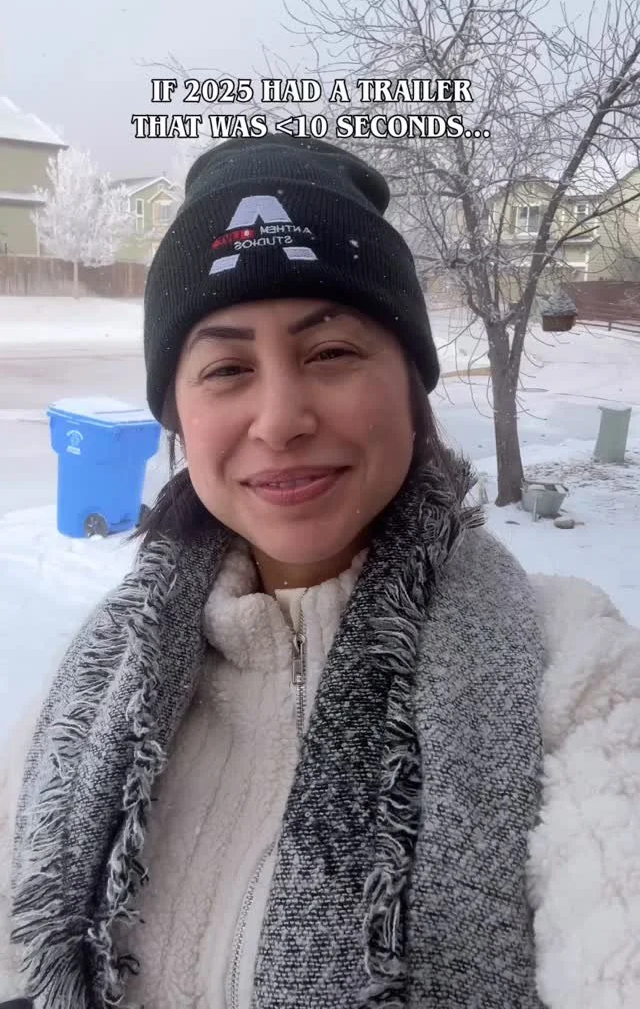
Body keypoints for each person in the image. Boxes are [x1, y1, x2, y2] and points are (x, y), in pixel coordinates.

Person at [0, 135, 639, 1009]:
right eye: (227, 368)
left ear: (410, 387)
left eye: (331, 352)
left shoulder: (572, 674)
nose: (280, 418)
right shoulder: (91, 695)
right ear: (178, 416)